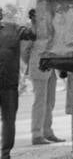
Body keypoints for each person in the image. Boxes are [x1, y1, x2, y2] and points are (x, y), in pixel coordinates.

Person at [1, 6, 37, 159]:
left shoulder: (13, 28)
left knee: (9, 120)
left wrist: (33, 21)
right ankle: (4, 157)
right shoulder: (12, 28)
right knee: (9, 120)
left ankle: (5, 157)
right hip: (9, 83)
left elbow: (32, 34)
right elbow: (32, 34)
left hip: (9, 84)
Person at [24, 9, 62, 145]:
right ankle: (36, 134)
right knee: (40, 102)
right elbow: (25, 52)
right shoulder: (31, 30)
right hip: (38, 69)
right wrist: (32, 65)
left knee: (50, 102)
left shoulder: (49, 28)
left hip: (50, 69)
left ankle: (47, 132)